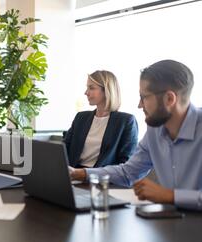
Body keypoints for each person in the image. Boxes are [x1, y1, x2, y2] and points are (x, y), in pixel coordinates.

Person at [70, 60, 202, 211]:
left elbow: (168, 196)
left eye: (144, 97)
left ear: (169, 99)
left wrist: (169, 196)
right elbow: (127, 173)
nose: (140, 105)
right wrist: (80, 173)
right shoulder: (155, 130)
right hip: (171, 221)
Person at [64, 70, 138, 168]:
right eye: (87, 88)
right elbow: (64, 148)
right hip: (73, 174)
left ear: (107, 90)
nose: (86, 92)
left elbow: (125, 163)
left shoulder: (126, 121)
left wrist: (87, 174)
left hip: (101, 178)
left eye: (91, 88)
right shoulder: (81, 118)